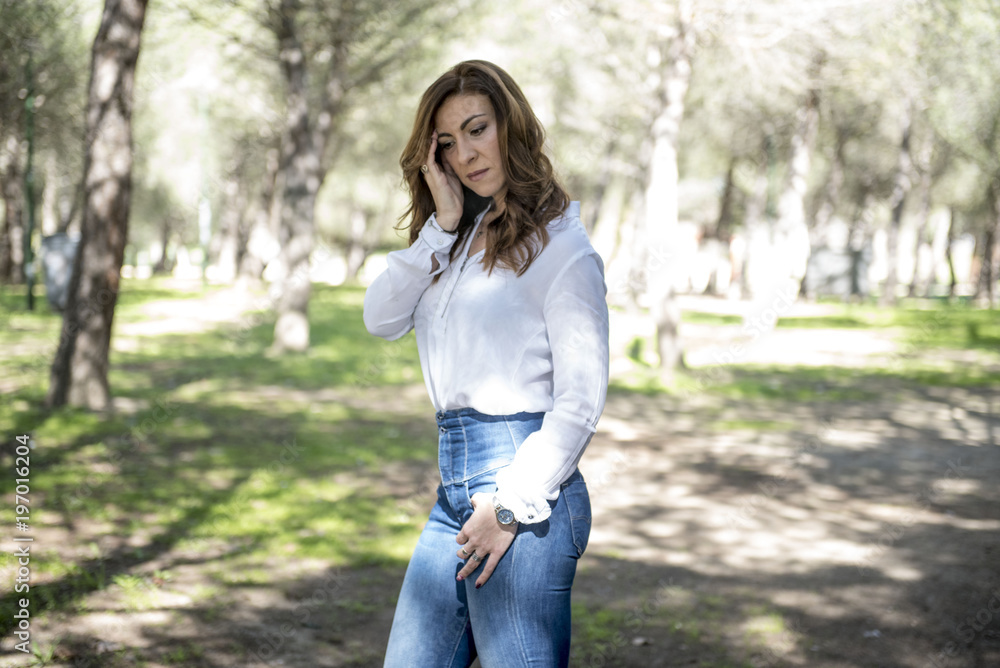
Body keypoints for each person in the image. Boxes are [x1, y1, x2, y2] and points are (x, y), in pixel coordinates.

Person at [363, 59, 609, 668]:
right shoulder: (458, 242)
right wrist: (441, 226)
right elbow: (381, 317)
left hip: (524, 494)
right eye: (447, 142)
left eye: (477, 129)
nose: (466, 153)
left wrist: (508, 505)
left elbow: (581, 400)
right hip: (453, 489)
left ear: (511, 126)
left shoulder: (563, 248)